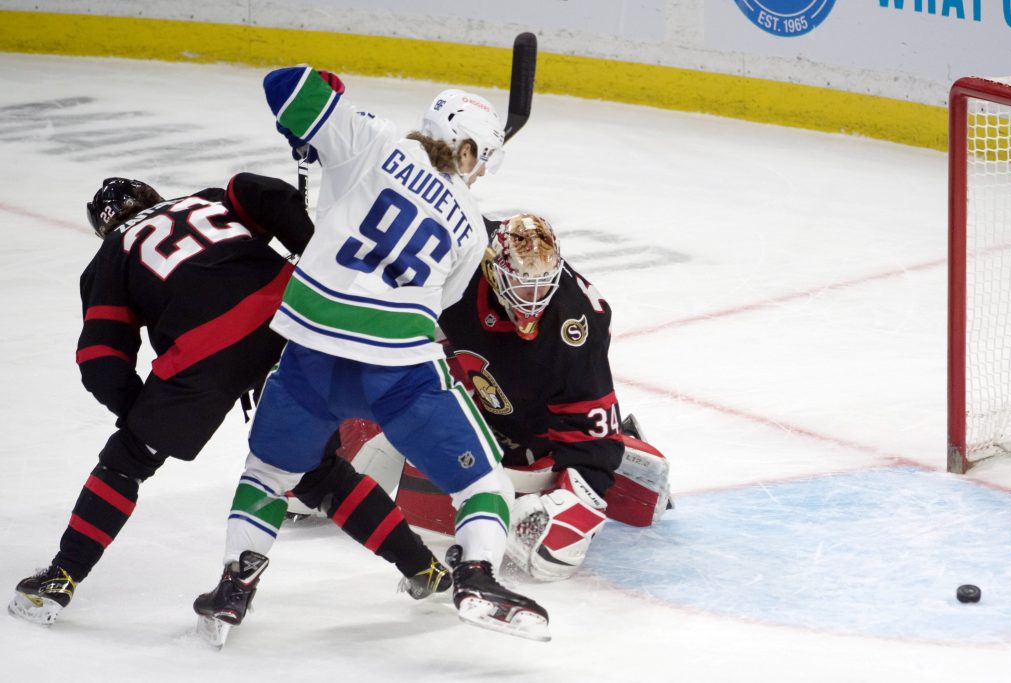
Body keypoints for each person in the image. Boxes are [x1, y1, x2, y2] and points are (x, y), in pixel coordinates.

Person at [193, 67, 550, 642]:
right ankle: (477, 574)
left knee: (267, 473)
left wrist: (326, 103)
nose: (480, 172)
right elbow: (443, 302)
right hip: (399, 365)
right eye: (480, 159)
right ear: (463, 149)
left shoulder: (371, 141)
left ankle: (235, 587)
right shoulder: (475, 231)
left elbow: (284, 85)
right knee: (485, 483)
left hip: (312, 348)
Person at [8, 173, 450, 627]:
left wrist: (144, 418)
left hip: (203, 351)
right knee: (316, 472)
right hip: (296, 322)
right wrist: (308, 247)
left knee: (125, 462)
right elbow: (266, 193)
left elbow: (100, 358)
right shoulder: (206, 202)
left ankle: (61, 577)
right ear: (154, 197)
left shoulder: (111, 255)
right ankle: (424, 567)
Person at [334, 213, 673, 581]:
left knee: (548, 555)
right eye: (523, 287)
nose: (533, 300)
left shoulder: (573, 328)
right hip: (468, 367)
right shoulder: (461, 253)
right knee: (362, 443)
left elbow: (587, 427)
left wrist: (583, 489)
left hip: (528, 413)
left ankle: (615, 457)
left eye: (543, 287)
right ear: (494, 270)